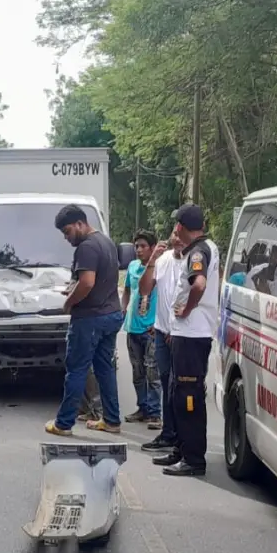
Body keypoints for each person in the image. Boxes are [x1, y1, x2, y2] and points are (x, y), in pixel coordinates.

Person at [153, 204, 220, 477]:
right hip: (186, 334)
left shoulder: (198, 251)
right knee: (177, 393)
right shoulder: (205, 248)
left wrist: (188, 309)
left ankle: (193, 458)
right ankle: (182, 450)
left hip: (193, 334)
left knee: (188, 396)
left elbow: (199, 284)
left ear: (180, 226)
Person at [45, 204, 123, 437]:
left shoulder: (86, 247)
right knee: (104, 369)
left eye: (68, 231)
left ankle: (64, 423)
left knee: (76, 369)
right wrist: (74, 288)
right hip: (111, 314)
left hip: (90, 318)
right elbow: (98, 280)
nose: (67, 238)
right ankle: (111, 420)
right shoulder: (106, 242)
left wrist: (69, 301)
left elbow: (87, 282)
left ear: (80, 223)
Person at [139, 226, 185, 453]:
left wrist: (173, 330)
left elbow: (187, 297)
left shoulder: (193, 261)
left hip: (180, 334)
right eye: (174, 235)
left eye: (181, 236)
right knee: (166, 382)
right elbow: (144, 288)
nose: (177, 240)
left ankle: (181, 436)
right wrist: (152, 260)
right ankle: (168, 434)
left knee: (179, 386)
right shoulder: (164, 260)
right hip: (161, 331)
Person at [122, 229, 162, 427]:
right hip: (133, 328)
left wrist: (160, 321)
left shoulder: (160, 267)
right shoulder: (132, 267)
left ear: (153, 248)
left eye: (143, 246)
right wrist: (123, 309)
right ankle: (143, 408)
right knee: (137, 373)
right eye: (136, 246)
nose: (138, 250)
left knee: (152, 372)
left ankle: (155, 413)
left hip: (151, 330)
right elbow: (127, 290)